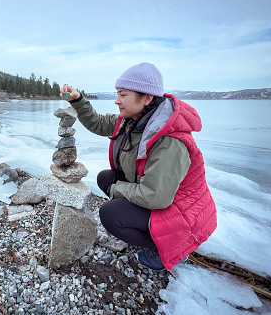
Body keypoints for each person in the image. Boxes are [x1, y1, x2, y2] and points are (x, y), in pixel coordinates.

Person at [61, 62, 217, 271]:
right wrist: (79, 101)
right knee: (106, 179)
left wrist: (118, 191)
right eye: (117, 93)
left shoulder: (169, 141)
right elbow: (97, 123)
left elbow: (157, 197)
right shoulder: (132, 120)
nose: (117, 101)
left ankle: (169, 249)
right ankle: (149, 230)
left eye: (123, 95)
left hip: (184, 216)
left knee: (110, 213)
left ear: (147, 98)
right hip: (162, 197)